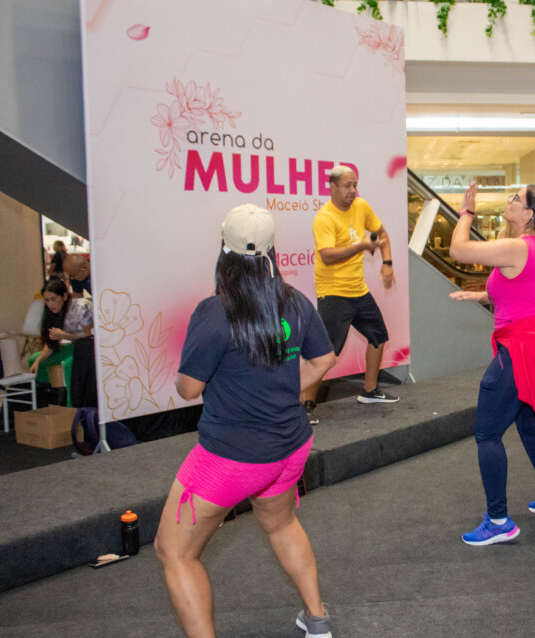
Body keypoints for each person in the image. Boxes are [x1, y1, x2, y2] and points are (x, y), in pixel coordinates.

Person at [154, 204, 338, 638]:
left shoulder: (215, 311)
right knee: (281, 523)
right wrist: (286, 390)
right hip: (290, 448)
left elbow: (189, 389)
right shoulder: (295, 301)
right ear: (273, 250)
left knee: (174, 552)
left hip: (232, 458)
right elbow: (325, 360)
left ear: (225, 250)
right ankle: (317, 619)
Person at [448, 181, 535, 546]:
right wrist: (481, 295)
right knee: (529, 425)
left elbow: (458, 249)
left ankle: (499, 521)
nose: (509, 200)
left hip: (521, 350)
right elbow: (522, 289)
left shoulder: (518, 247)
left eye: (516, 198)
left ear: (529, 214)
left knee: (487, 433)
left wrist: (467, 211)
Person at [302, 165, 398, 423]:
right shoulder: (325, 218)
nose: (353, 190)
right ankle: (304, 405)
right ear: (332, 187)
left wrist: (387, 263)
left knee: (378, 336)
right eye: (347, 186)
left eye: (355, 185)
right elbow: (327, 256)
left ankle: (369, 391)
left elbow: (382, 233)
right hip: (333, 293)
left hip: (358, 290)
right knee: (325, 353)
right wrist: (361, 246)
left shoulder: (361, 206)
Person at [29, 277, 95, 408]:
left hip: (88, 349)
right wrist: (39, 360)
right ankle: (48, 401)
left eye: (53, 299)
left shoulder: (80, 307)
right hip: (72, 345)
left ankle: (72, 407)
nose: (50, 304)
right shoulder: (53, 312)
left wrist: (65, 336)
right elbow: (51, 343)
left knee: (69, 365)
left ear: (64, 296)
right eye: (47, 300)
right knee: (34, 359)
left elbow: (90, 337)